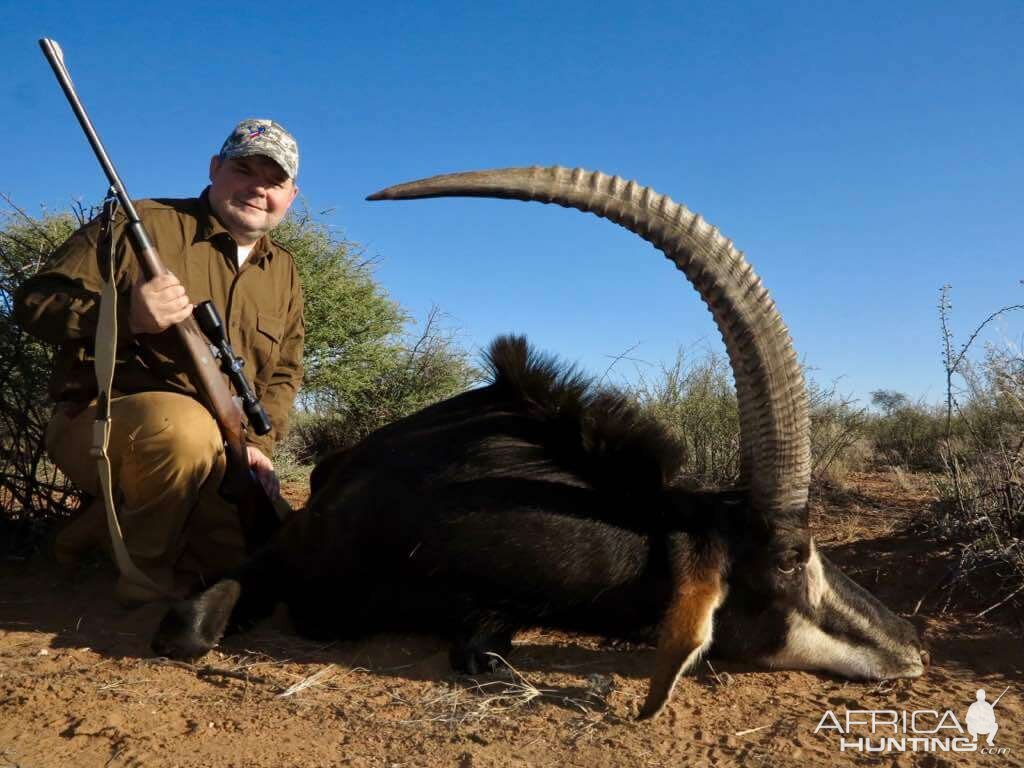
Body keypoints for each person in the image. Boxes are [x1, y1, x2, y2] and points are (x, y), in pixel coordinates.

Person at [15, 118, 305, 605]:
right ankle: (143, 583)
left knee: (274, 557)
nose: (258, 189)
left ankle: (86, 535)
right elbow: (34, 304)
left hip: (222, 446)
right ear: (215, 169)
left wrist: (258, 445)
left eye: (274, 181)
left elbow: (284, 373)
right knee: (182, 430)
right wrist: (125, 315)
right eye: (244, 170)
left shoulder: (286, 270)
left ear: (291, 196)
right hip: (99, 423)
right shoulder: (144, 224)